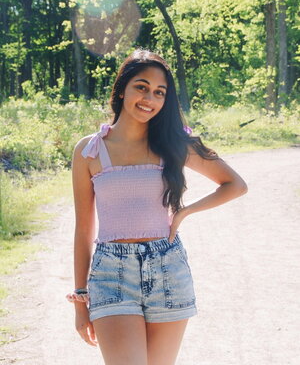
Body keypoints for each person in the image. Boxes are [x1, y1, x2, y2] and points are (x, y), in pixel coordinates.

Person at [67, 48, 247, 365]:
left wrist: (185, 211)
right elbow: (84, 230)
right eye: (142, 86)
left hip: (167, 268)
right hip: (111, 273)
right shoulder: (90, 150)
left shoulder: (174, 145)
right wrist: (81, 301)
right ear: (122, 88)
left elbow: (235, 184)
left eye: (159, 92)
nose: (149, 98)